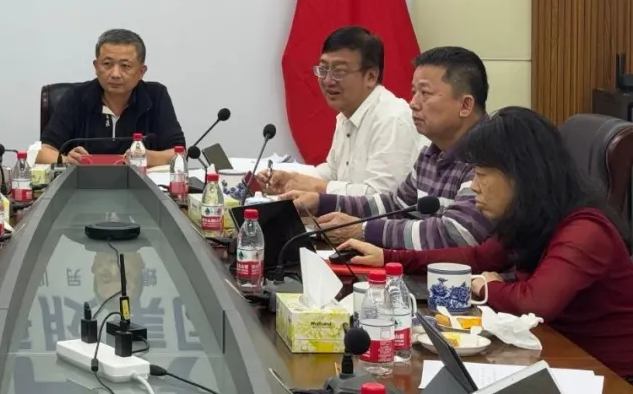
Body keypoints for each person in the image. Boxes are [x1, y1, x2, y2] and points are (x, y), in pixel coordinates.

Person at [337, 107, 633, 380]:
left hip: (605, 378)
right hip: (553, 357)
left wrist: (485, 287)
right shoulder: (533, 217)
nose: (474, 187)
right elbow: (478, 257)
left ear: (521, 176)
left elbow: (535, 303)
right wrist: (390, 258)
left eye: (480, 175)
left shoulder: (585, 231)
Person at [274, 46, 493, 249]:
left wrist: (363, 230)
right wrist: (322, 203)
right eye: (414, 92)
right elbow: (396, 205)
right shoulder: (431, 153)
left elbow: (457, 233)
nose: (413, 103)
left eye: (425, 94)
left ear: (465, 105)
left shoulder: (489, 154)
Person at [256, 26, 423, 196]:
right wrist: (291, 179)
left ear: (371, 76)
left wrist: (318, 187)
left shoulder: (392, 119)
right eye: (323, 69)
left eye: (339, 72)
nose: (328, 81)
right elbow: (333, 172)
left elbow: (382, 197)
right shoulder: (347, 115)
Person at [36, 29, 186, 167]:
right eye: (107, 64)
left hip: (140, 182)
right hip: (85, 183)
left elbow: (179, 152)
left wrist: (149, 157)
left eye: (125, 66)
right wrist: (64, 160)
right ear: (96, 67)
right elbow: (42, 151)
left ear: (141, 71)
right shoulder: (75, 96)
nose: (115, 74)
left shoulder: (156, 96)